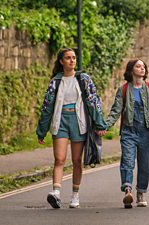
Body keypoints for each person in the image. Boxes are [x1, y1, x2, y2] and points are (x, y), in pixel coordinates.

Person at [36, 47, 107, 209]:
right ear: (61, 61)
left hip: (78, 121)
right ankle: (56, 193)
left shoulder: (84, 79)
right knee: (59, 159)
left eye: (73, 57)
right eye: (68, 58)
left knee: (76, 161)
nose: (72, 60)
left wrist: (99, 124)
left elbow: (94, 102)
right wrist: (41, 130)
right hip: (60, 121)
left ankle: (75, 195)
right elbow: (47, 107)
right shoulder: (55, 81)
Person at [105, 59, 149, 208]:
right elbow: (116, 111)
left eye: (143, 66)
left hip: (146, 131)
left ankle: (141, 192)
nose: (142, 68)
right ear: (131, 70)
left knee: (145, 165)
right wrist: (106, 126)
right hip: (129, 131)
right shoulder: (123, 89)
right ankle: (128, 191)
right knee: (127, 161)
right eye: (138, 66)